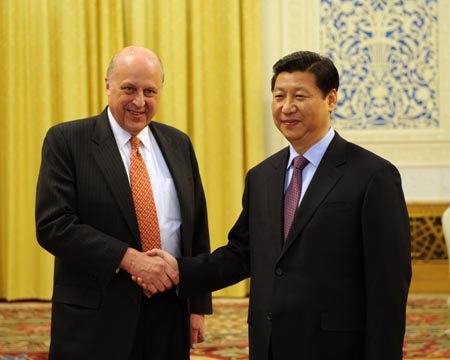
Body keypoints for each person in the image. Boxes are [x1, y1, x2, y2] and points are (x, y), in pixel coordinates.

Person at [147, 51, 412, 360]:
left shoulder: (372, 176)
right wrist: (180, 270)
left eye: (300, 96)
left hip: (337, 348)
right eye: (278, 96)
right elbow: (241, 253)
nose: (287, 107)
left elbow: (389, 286)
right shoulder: (262, 176)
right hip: (269, 343)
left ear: (331, 99)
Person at [35, 45, 211, 360]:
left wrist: (197, 305)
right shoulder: (67, 141)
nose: (139, 101)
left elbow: (196, 228)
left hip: (169, 313)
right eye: (128, 88)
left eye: (150, 91)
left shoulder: (178, 143)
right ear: (107, 86)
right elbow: (54, 225)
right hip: (96, 317)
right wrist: (130, 259)